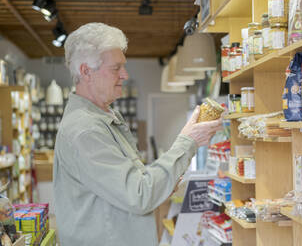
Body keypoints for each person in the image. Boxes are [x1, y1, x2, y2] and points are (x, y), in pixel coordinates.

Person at [53, 22, 223, 246]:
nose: (125, 75)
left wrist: (163, 182)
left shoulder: (104, 119)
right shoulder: (85, 130)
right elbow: (139, 195)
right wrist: (188, 141)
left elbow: (132, 183)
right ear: (86, 72)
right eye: (116, 68)